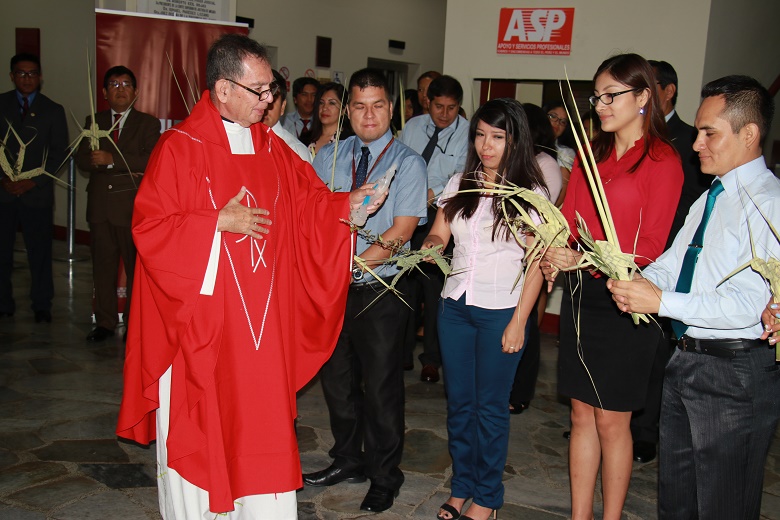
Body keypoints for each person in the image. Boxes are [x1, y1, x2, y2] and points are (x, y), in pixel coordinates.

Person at [115, 34, 385, 520]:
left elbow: (309, 206)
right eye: (259, 91)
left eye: (271, 90)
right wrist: (214, 222)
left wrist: (348, 204)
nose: (270, 101)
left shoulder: (273, 148)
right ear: (222, 89)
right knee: (208, 427)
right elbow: (150, 227)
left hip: (262, 335)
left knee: (260, 427)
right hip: (204, 329)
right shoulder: (179, 148)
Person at [609, 75, 780, 520]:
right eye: (699, 131)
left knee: (723, 505)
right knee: (677, 498)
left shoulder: (768, 203)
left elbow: (748, 304)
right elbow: (675, 261)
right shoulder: (711, 196)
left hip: (734, 370)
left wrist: (661, 303)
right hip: (687, 359)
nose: (697, 144)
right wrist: (633, 278)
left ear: (749, 134)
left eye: (710, 133)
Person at [541, 53, 683, 520]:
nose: (600, 105)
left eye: (611, 95)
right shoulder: (592, 153)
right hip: (583, 295)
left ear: (644, 97)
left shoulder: (663, 160)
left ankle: (611, 516)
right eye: (596, 96)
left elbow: (652, 246)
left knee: (611, 419)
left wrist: (583, 257)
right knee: (580, 413)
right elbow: (570, 219)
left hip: (628, 298)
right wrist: (554, 249)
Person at [304, 68, 427, 513]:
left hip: (381, 288)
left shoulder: (408, 162)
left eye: (377, 105)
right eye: (359, 105)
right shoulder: (327, 158)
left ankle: (384, 474)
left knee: (380, 387)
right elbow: (314, 218)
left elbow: (402, 230)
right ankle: (347, 459)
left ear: (391, 110)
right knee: (337, 383)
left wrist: (350, 263)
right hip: (332, 289)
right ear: (347, 110)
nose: (368, 114)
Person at [425, 98, 547, 520]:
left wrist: (519, 322)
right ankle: (462, 487)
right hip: (455, 306)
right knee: (459, 403)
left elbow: (537, 264)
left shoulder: (532, 195)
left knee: (490, 407)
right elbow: (440, 233)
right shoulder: (460, 183)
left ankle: (488, 497)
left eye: (497, 136)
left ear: (516, 140)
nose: (486, 145)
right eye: (480, 135)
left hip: (501, 309)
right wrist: (427, 248)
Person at [626, 60, 710, 464]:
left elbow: (692, 207)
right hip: (631, 258)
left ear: (667, 91)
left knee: (658, 351)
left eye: (648, 87)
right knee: (629, 347)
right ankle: (617, 415)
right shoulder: (628, 137)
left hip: (669, 258)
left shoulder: (688, 140)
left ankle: (645, 431)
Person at [75, 65, 161, 342]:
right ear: (104, 92)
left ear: (135, 92)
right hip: (100, 208)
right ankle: (105, 323)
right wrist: (97, 161)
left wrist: (110, 160)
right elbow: (81, 160)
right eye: (114, 84)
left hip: (133, 208)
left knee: (137, 270)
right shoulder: (93, 120)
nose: (120, 89)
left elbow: (151, 161)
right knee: (102, 269)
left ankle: (135, 323)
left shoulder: (148, 123)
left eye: (126, 84)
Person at [400, 74, 469, 383]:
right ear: (428, 102)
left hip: (442, 219)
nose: (444, 114)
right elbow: (399, 163)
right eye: (438, 106)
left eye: (451, 108)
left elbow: (464, 179)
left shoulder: (468, 135)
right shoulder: (413, 126)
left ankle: (431, 360)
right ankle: (400, 353)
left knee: (434, 291)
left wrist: (433, 192)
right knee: (404, 287)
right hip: (407, 218)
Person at [0, 53, 68, 323]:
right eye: (21, 73)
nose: (26, 78)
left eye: (32, 74)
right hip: (4, 193)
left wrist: (33, 181)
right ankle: (4, 303)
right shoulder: (1, 104)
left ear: (40, 78)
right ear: (12, 76)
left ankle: (42, 304)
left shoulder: (53, 109)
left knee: (39, 253)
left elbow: (59, 153)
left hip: (36, 195)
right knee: (2, 253)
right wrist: (4, 180)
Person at [508, 103, 562, 415]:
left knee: (525, 323)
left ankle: (521, 390)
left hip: (528, 256)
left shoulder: (546, 164)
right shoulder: (514, 161)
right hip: (505, 259)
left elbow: (541, 214)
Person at [262, 69, 311, 162]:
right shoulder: (240, 141)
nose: (265, 104)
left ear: (282, 107)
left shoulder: (296, 151)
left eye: (273, 97)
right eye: (262, 95)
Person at [542, 101, 576, 206]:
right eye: (553, 116)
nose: (557, 123)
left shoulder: (565, 153)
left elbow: (562, 190)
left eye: (563, 122)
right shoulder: (526, 145)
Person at [307, 81, 353, 157]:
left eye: (332, 103)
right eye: (321, 103)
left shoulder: (349, 141)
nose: (324, 108)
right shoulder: (305, 138)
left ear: (343, 110)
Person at [281, 76, 318, 145]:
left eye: (314, 95)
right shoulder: (284, 122)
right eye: (304, 95)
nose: (309, 100)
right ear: (295, 99)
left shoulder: (321, 123)